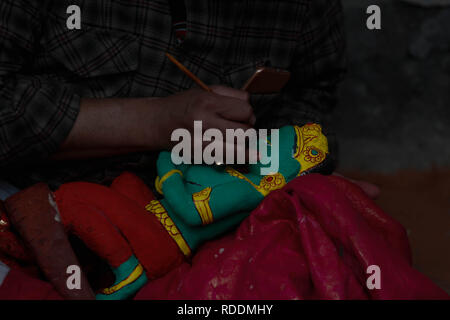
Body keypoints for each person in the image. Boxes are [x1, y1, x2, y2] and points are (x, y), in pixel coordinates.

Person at [0, 0, 347, 192]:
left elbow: (311, 96)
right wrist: (157, 122)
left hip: (215, 220)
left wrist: (287, 168)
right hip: (38, 207)